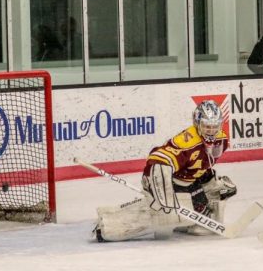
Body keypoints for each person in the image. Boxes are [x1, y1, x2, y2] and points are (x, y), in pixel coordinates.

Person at [92, 100, 238, 242]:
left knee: (220, 190)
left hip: (189, 182)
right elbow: (158, 159)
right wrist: (156, 182)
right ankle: (109, 224)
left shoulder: (222, 140)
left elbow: (200, 164)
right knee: (163, 214)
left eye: (215, 126)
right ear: (197, 123)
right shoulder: (187, 141)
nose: (211, 131)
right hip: (169, 183)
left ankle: (191, 222)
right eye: (207, 126)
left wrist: (210, 180)